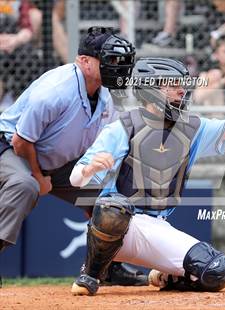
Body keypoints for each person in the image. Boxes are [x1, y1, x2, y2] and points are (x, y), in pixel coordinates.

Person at [69, 57, 225, 296]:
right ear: (151, 88)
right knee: (113, 206)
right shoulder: (122, 127)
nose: (181, 89)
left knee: (217, 271)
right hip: (118, 227)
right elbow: (75, 179)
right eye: (172, 84)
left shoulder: (192, 127)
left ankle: (167, 277)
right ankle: (91, 274)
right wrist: (89, 169)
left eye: (182, 83)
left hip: (156, 228)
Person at [0, 26, 147, 287]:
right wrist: (39, 176)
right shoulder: (55, 90)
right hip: (11, 146)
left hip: (50, 158)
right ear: (84, 61)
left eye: (119, 61)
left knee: (109, 195)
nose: (117, 66)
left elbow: (103, 143)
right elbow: (21, 140)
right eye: (109, 60)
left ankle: (107, 267)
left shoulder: (104, 95)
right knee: (26, 185)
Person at [0, 0, 42, 103]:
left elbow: (27, 29)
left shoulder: (20, 2)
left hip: (14, 44)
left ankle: (20, 104)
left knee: (27, 56)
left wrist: (15, 40)